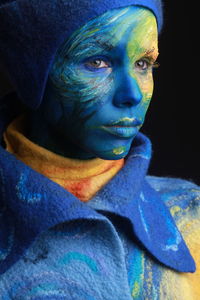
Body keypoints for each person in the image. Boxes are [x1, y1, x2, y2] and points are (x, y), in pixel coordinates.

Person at [0, 0, 200, 299]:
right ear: (32, 73)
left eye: (143, 63)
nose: (131, 94)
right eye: (97, 62)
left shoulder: (190, 213)